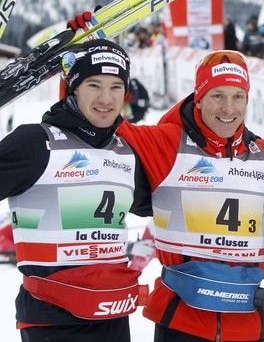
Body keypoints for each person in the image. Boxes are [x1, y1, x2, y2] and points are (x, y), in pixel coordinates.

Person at [0, 38, 152, 342]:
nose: (106, 99)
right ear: (74, 88)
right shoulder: (35, 143)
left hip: (113, 318)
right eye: (94, 85)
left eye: (116, 87)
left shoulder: (126, 151)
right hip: (53, 323)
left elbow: (161, 199)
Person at [116, 49, 264, 342]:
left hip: (248, 325)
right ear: (198, 99)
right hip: (182, 324)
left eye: (238, 96)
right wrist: (76, 65)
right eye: (217, 96)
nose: (228, 108)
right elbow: (101, 118)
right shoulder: (168, 142)